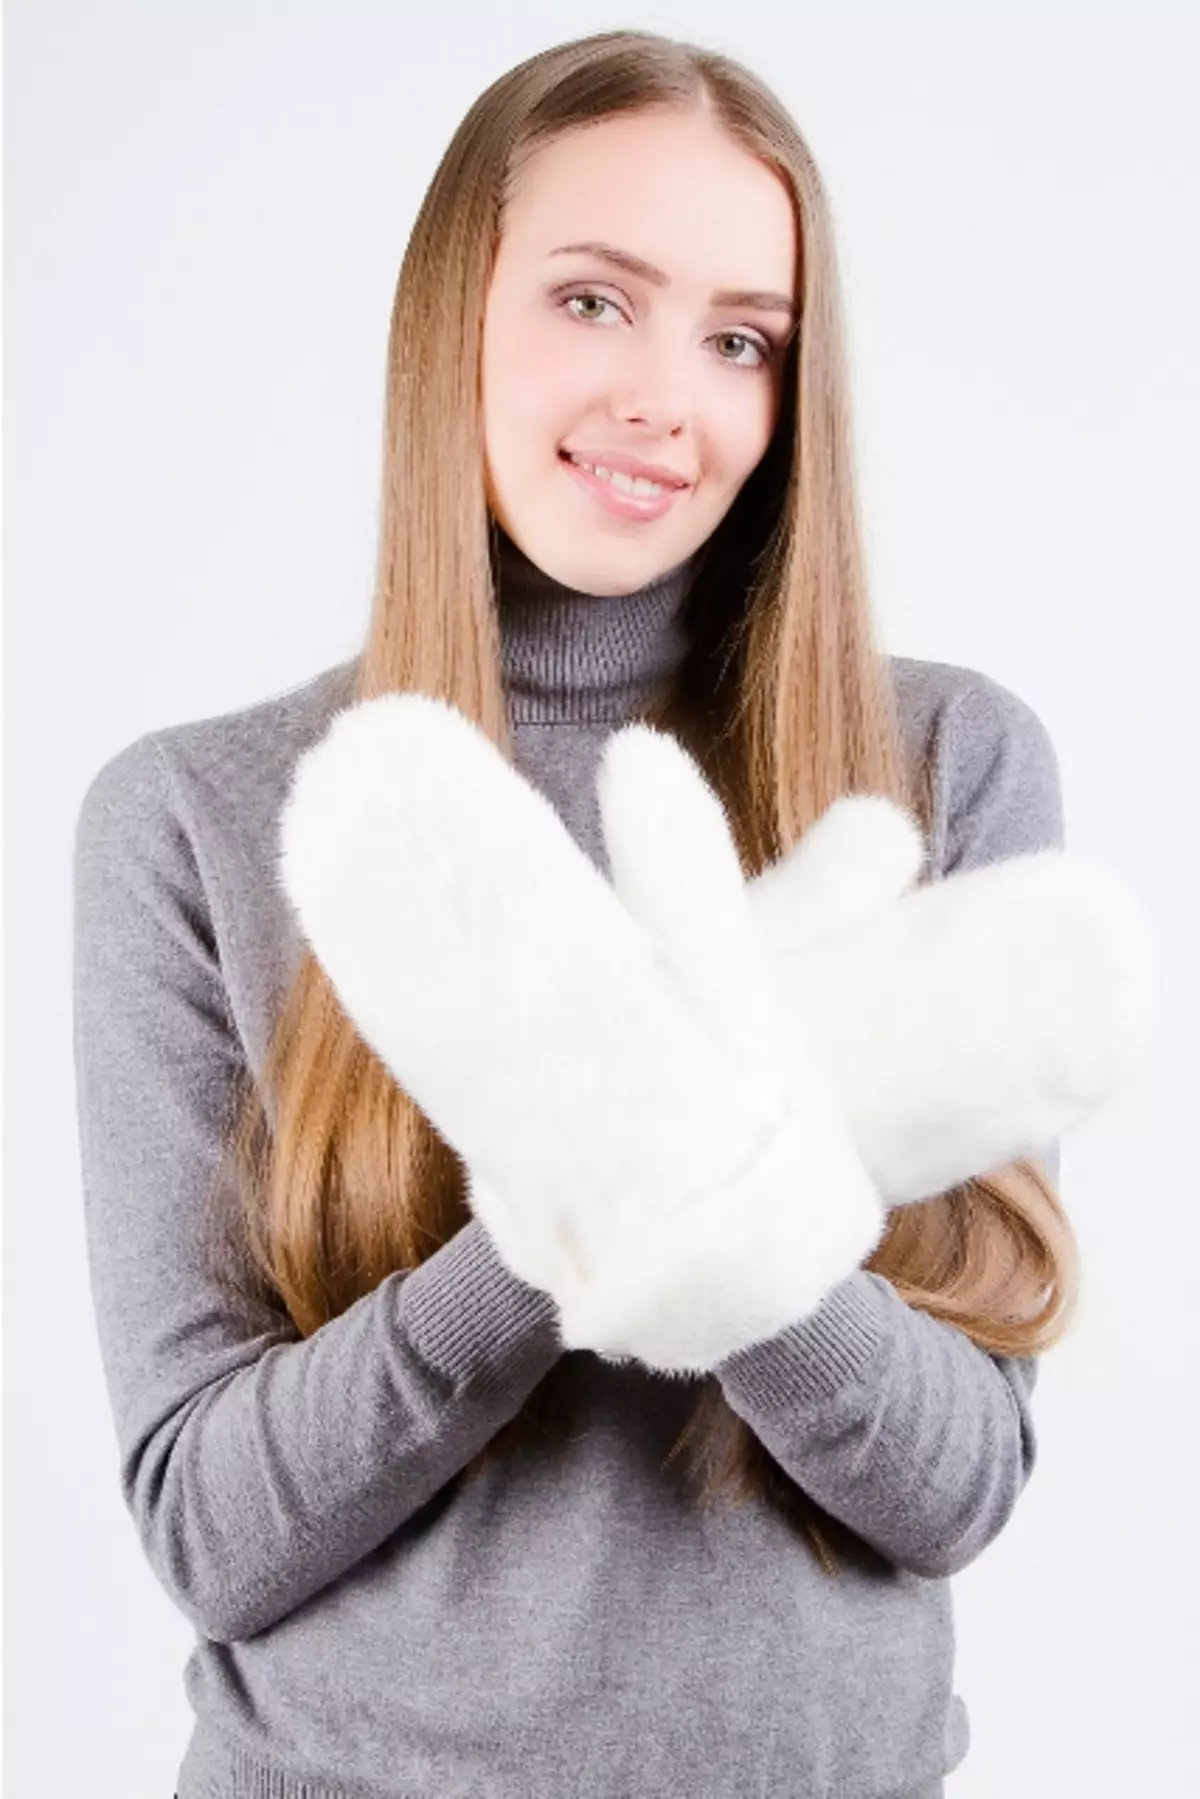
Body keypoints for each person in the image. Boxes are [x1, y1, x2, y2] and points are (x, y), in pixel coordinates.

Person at [74, 29, 1081, 1799]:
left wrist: (727, 1207)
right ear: (452, 304)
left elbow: (961, 1484)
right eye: (597, 302)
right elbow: (207, 1529)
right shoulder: (196, 817)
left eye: (741, 338)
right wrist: (558, 1207)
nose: (665, 397)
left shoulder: (937, 765)